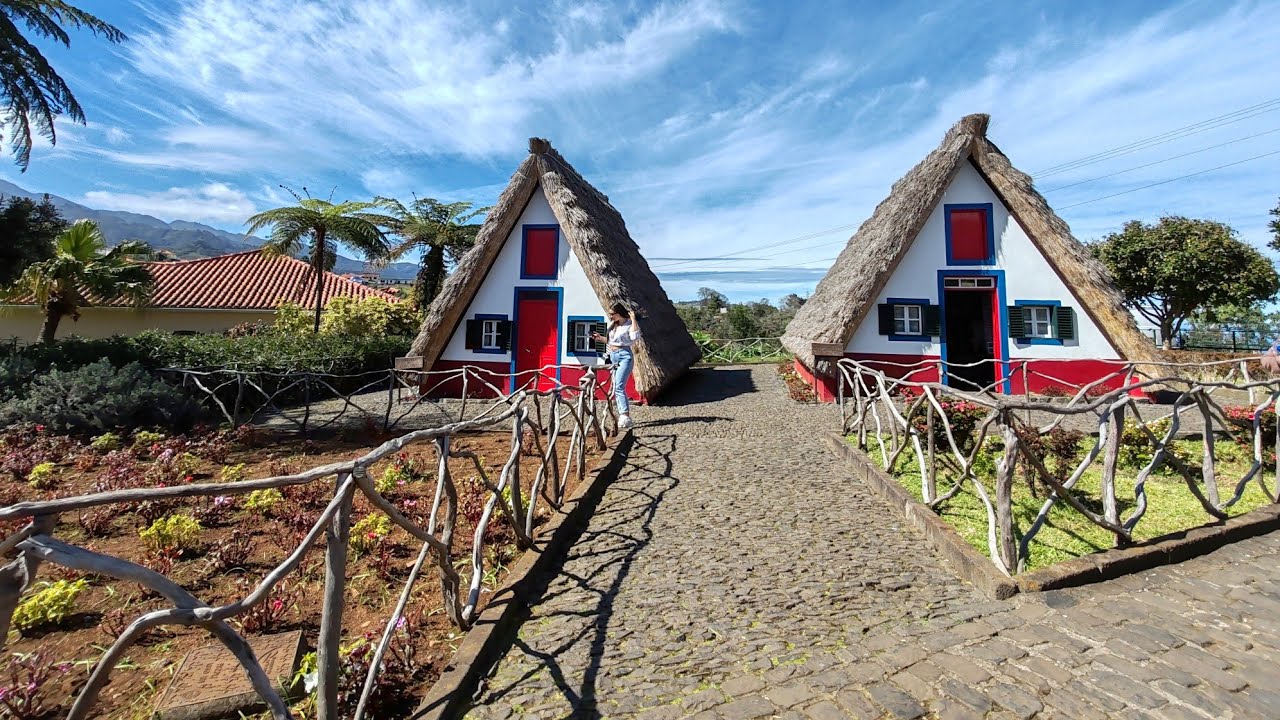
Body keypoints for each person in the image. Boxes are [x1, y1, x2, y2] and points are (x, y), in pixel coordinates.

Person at [593, 302, 641, 429]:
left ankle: (624, 416)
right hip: (613, 356)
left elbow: (635, 337)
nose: (610, 317)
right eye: (610, 314)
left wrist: (633, 319)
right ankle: (624, 416)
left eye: (612, 314)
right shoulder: (614, 325)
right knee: (616, 386)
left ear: (620, 313)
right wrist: (599, 338)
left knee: (619, 385)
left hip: (625, 355)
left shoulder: (629, 325)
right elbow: (611, 342)